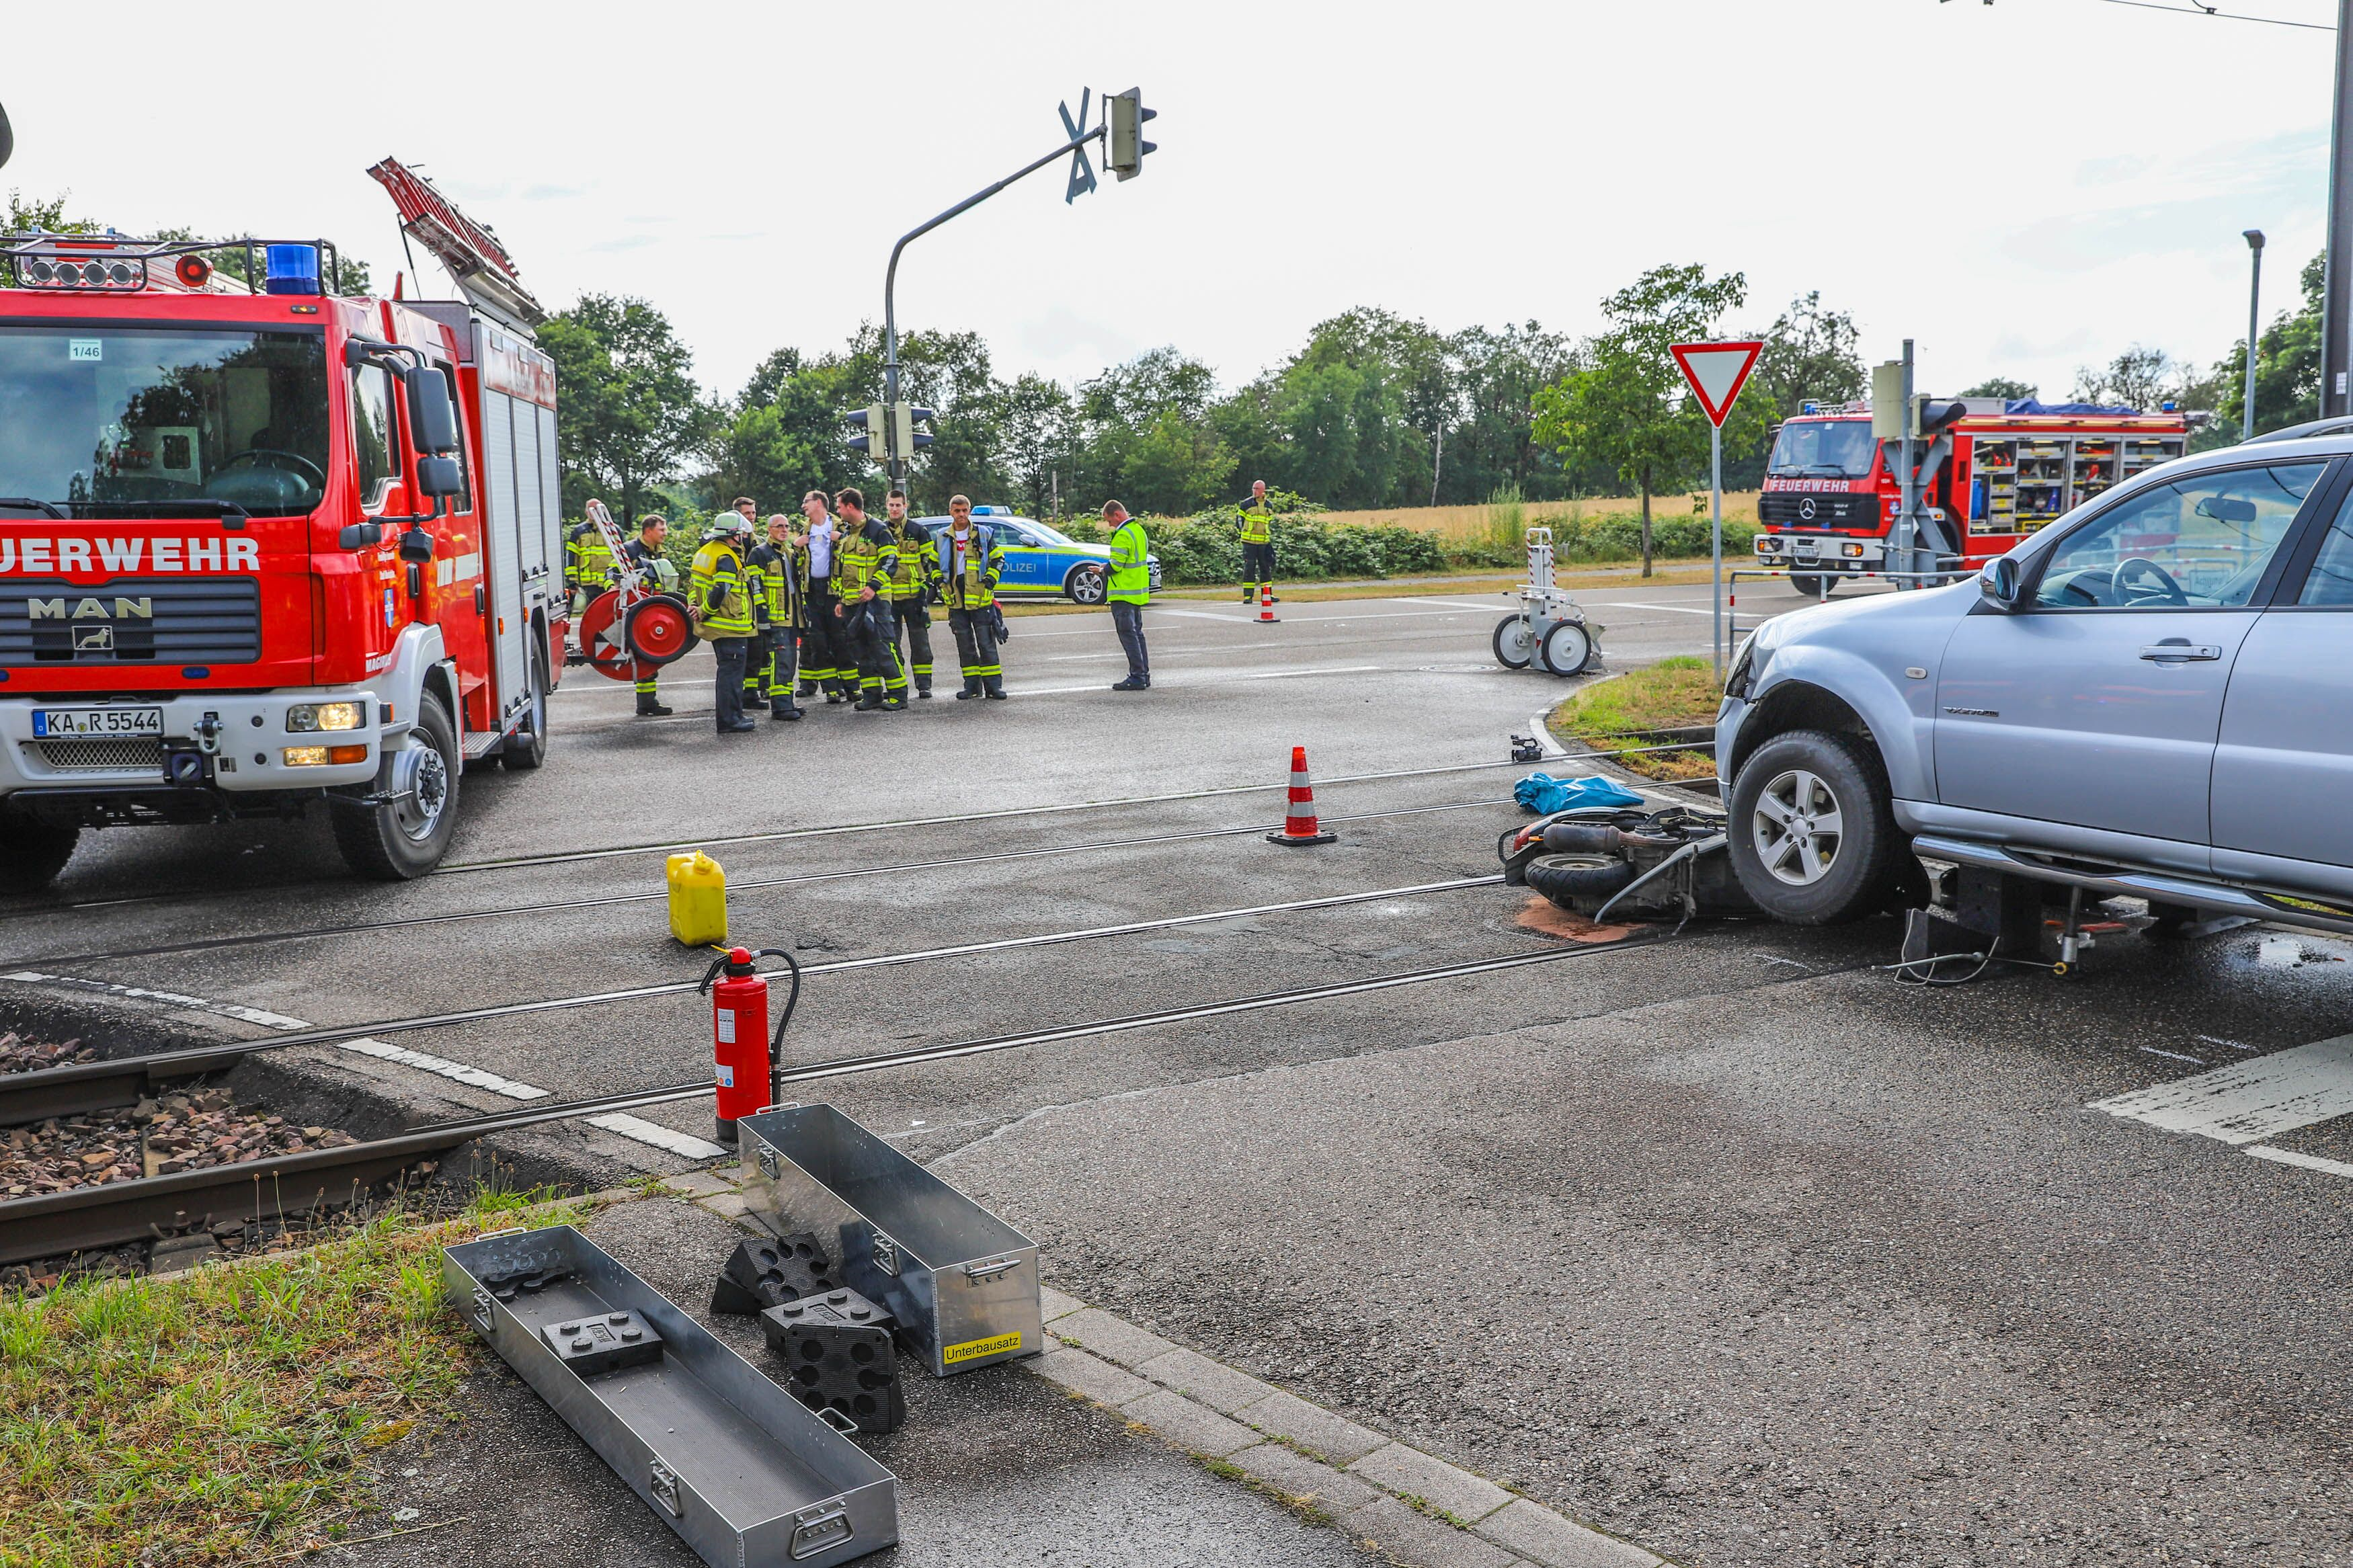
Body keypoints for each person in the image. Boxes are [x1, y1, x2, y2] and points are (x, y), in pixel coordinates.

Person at [831, 488, 906, 712]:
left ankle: (898, 695)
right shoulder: (846, 533)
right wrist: (840, 600)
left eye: (839, 507)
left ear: (850, 507)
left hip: (876, 601)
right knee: (860, 651)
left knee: (882, 647)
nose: (838, 511)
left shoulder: (878, 530)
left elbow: (891, 562)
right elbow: (841, 571)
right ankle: (872, 695)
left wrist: (874, 587)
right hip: (852, 603)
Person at [690, 513, 759, 734]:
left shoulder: (705, 552)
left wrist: (696, 606)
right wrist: (704, 611)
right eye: (741, 533)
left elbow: (695, 586)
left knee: (728, 673)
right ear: (734, 535)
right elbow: (721, 590)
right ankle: (730, 721)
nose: (743, 537)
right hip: (730, 625)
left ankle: (734, 715)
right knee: (731, 675)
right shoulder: (726, 558)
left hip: (718, 627)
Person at [936, 494, 1006, 700]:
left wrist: (990, 582)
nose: (961, 515)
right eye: (957, 511)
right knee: (965, 645)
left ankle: (994, 687)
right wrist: (940, 583)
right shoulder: (942, 536)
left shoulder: (983, 534)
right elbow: (932, 563)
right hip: (956, 599)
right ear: (951, 512)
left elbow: (998, 559)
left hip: (980, 598)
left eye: (964, 511)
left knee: (986, 644)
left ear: (969, 511)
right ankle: (972, 686)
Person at [881, 488, 941, 698]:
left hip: (915, 598)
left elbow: (931, 561)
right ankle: (897, 686)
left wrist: (926, 589)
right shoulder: (881, 532)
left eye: (899, 505)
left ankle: (924, 685)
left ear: (905, 506)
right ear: (887, 506)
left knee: (921, 644)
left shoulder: (918, 531)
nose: (895, 508)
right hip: (889, 600)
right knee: (891, 644)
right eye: (891, 505)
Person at [746, 512, 804, 721]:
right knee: (780, 662)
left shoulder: (788, 553)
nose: (784, 530)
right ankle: (780, 707)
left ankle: (787, 701)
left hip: (792, 618)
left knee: (790, 661)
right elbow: (755, 585)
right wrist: (763, 615)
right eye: (779, 526)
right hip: (775, 618)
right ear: (769, 529)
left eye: (787, 526)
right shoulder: (759, 554)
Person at [795, 490, 850, 704]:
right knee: (818, 641)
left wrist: (842, 539)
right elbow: (798, 561)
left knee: (840, 638)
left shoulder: (839, 526)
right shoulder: (805, 529)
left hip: (834, 591)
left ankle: (850, 686)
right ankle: (831, 689)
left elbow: (854, 550)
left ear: (818, 503)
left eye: (806, 502)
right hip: (812, 591)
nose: (803, 506)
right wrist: (795, 546)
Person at [618, 514, 676, 716]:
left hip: (652, 609)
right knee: (644, 657)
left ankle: (646, 703)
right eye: (662, 529)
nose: (665, 533)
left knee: (649, 658)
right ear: (648, 530)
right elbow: (612, 575)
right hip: (636, 611)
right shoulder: (629, 550)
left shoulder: (659, 551)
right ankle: (646, 703)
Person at [1105, 500, 1150, 691]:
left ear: (1117, 515)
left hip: (1123, 592)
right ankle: (1144, 674)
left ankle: (1137, 676)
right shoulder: (1138, 530)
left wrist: (1101, 570)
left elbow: (1116, 566)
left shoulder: (1122, 535)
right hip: (1137, 591)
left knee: (1128, 635)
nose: (1109, 525)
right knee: (1137, 634)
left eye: (1109, 520)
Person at [1236, 479, 1278, 604]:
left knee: (1265, 567)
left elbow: (1269, 522)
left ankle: (1267, 594)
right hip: (1249, 542)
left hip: (1263, 542)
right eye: (1253, 489)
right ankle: (1248, 596)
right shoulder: (1246, 504)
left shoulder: (1268, 505)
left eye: (1257, 489)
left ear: (1263, 490)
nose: (1254, 491)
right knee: (1250, 568)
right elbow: (1239, 521)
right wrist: (1242, 535)